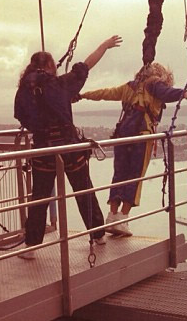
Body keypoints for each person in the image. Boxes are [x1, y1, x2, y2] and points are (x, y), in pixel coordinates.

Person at [14, 35, 122, 259]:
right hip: (69, 148)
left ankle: (31, 246)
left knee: (40, 197)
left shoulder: (23, 90)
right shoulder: (60, 84)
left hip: (43, 150)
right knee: (83, 190)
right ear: (51, 66)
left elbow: (22, 115)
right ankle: (98, 234)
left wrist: (41, 126)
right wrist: (104, 45)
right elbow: (87, 64)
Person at [79, 62, 187, 236]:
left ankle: (111, 217)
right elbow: (165, 93)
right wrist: (181, 93)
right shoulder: (154, 83)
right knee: (135, 176)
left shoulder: (129, 87)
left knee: (119, 174)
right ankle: (123, 219)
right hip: (141, 133)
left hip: (123, 133)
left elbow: (105, 93)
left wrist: (83, 95)